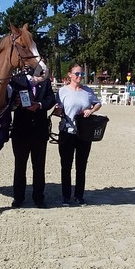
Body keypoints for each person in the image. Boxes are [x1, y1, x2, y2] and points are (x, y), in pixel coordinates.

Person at [10, 72, 57, 209]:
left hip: (39, 131)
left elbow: (51, 99)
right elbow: (8, 101)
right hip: (21, 131)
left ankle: (39, 197)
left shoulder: (45, 82)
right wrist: (15, 103)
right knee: (20, 166)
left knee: (39, 166)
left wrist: (40, 105)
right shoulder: (16, 81)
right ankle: (18, 197)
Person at [56, 63, 101, 206]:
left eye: (81, 74)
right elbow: (57, 110)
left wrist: (91, 110)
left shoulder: (87, 91)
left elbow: (98, 103)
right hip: (67, 132)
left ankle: (79, 195)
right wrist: (58, 110)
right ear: (69, 75)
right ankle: (66, 195)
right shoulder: (62, 91)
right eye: (77, 74)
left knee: (81, 166)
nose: (79, 76)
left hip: (84, 133)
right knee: (66, 165)